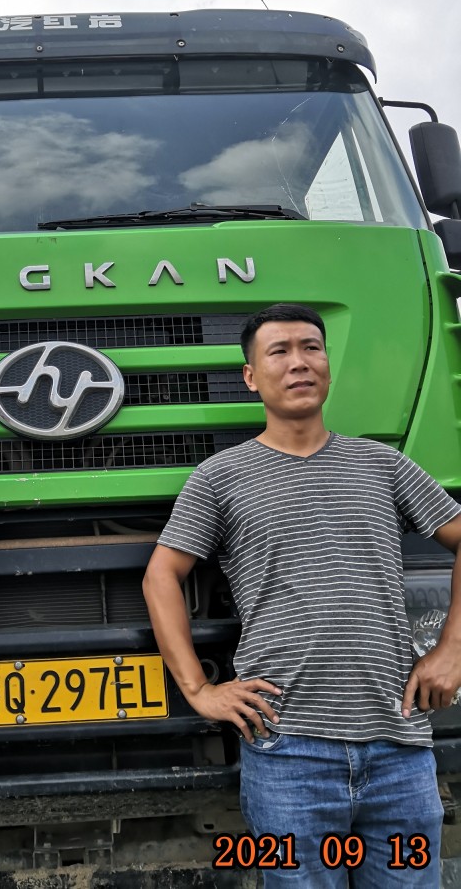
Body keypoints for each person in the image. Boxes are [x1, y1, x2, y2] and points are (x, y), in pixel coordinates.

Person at [143, 303, 461, 887]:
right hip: (287, 755)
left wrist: (452, 649)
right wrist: (198, 689)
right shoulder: (219, 477)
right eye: (280, 351)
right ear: (250, 376)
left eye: (311, 348)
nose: (299, 362)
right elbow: (161, 575)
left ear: (328, 365)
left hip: (399, 750)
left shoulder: (382, 464)